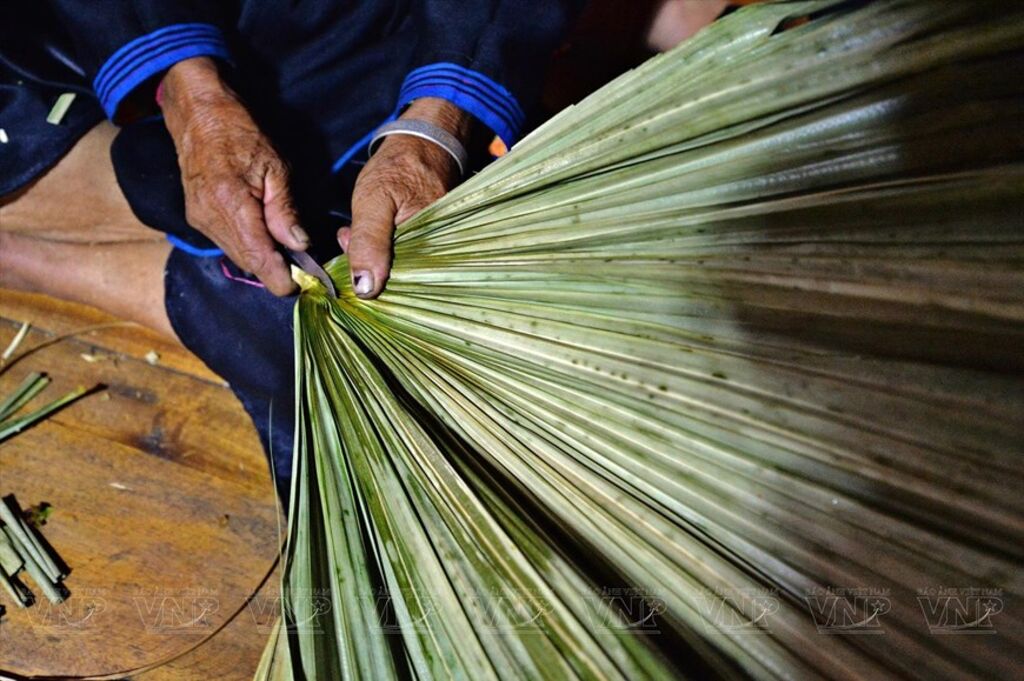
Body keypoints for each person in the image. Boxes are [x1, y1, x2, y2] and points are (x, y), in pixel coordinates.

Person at [0, 1, 581, 497]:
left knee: (362, 355)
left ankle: (51, 265)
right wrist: (189, 92)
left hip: (366, 45)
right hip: (88, 36)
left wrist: (436, 126)